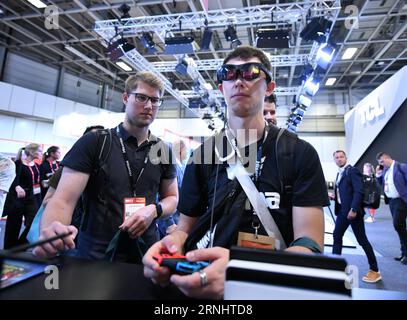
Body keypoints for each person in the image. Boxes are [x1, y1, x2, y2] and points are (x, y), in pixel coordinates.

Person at [143, 45, 329, 299]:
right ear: (221, 87)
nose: (239, 80)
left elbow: (310, 244)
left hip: (273, 291)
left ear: (269, 87)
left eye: (251, 72)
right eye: (229, 73)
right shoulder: (204, 155)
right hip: (207, 286)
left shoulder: (298, 153)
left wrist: (243, 272)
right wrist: (169, 247)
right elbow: (185, 228)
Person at [33, 72, 178, 262]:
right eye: (141, 97)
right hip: (96, 254)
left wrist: (154, 210)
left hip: (146, 253)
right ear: (126, 98)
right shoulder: (95, 142)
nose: (149, 105)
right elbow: (63, 200)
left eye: (154, 100)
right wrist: (52, 229)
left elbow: (172, 198)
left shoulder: (163, 150)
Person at [330, 150, 381, 282]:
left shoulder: (352, 171)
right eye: (336, 157)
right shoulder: (340, 173)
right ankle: (336, 269)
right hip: (342, 211)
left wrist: (353, 209)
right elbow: (346, 192)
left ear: (346, 158)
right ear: (334, 160)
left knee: (362, 240)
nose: (339, 159)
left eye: (341, 157)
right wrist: (335, 197)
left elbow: (359, 191)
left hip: (353, 212)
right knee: (336, 236)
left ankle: (375, 270)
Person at [3, 143, 43, 248]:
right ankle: (9, 248)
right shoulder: (18, 164)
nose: (41, 153)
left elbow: (37, 183)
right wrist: (16, 186)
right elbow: (10, 179)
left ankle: (20, 245)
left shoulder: (37, 166)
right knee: (14, 224)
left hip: (32, 197)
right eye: (39, 151)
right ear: (31, 152)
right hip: (18, 198)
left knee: (34, 223)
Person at [376, 152, 407, 264]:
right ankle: (403, 253)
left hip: (401, 201)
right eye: (380, 163)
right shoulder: (385, 170)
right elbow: (382, 184)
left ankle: (406, 253)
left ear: (387, 158)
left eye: (382, 162)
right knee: (400, 226)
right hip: (392, 202)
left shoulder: (401, 167)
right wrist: (379, 175)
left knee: (398, 225)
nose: (381, 164)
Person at [156, 139, 189, 238]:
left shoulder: (181, 168)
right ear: (181, 150)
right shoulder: (172, 168)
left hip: (178, 222)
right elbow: (161, 197)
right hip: (170, 223)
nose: (187, 153)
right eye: (186, 150)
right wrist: (168, 224)